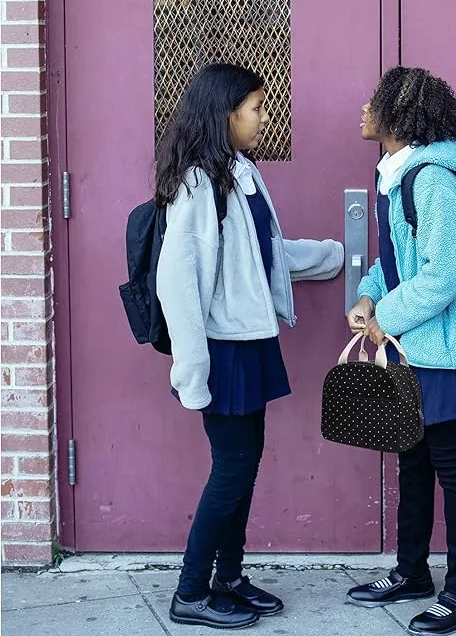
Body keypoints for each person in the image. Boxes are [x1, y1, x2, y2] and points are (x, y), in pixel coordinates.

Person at [155, 62, 344, 629]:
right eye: (256, 108)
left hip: (250, 339)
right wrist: (192, 366)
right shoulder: (197, 182)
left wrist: (332, 257)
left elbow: (261, 254)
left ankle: (228, 578)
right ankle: (189, 593)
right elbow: (177, 281)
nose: (264, 117)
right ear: (226, 112)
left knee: (246, 461)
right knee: (232, 468)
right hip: (222, 348)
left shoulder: (240, 173)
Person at [345, 66, 456, 635]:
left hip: (441, 348)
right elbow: (399, 260)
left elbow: (449, 272)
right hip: (411, 346)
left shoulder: (432, 179)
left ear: (399, 116)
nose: (363, 108)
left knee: (451, 465)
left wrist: (389, 316)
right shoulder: (397, 176)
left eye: (373, 99)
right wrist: (368, 296)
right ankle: (411, 573)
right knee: (412, 460)